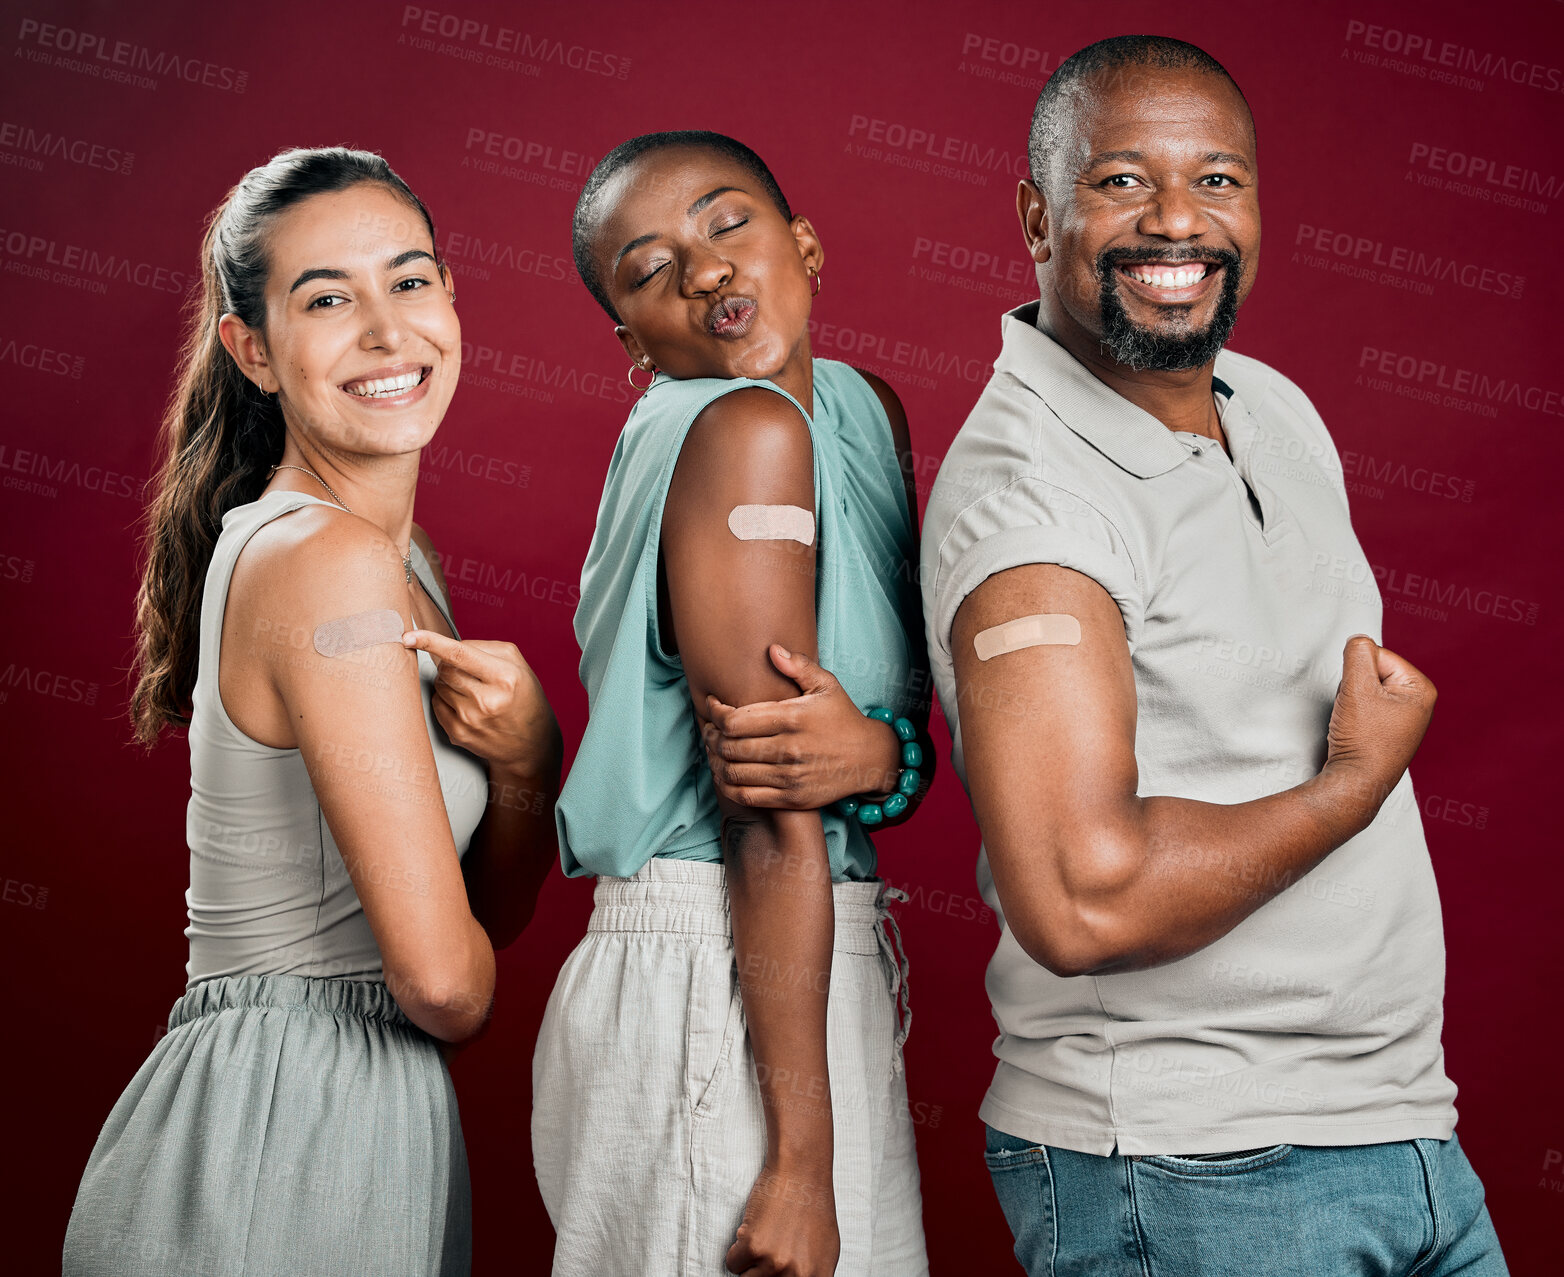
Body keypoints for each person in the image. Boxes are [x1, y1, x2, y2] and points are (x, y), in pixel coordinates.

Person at [919, 35, 1508, 1277]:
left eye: (1218, 180)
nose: (1176, 221)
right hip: (1187, 1173)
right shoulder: (1033, 505)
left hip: (1402, 1129)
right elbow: (1085, 898)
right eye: (1121, 180)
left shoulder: (1272, 405)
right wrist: (1353, 785)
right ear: (1037, 209)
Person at [63, 146, 562, 1276]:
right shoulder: (325, 559)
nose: (389, 333)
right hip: (277, 1133)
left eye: (411, 279)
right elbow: (444, 979)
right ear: (252, 351)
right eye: (328, 298)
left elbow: (474, 919)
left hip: (354, 1115)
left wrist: (531, 762)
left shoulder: (397, 559)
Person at [533, 130, 932, 1277]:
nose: (704, 272)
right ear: (628, 341)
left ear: (804, 244)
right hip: (709, 971)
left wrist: (878, 756)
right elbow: (767, 815)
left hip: (812, 967)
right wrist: (801, 1161)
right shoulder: (738, 430)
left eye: (726, 225)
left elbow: (874, 754)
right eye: (651, 270)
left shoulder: (862, 414)